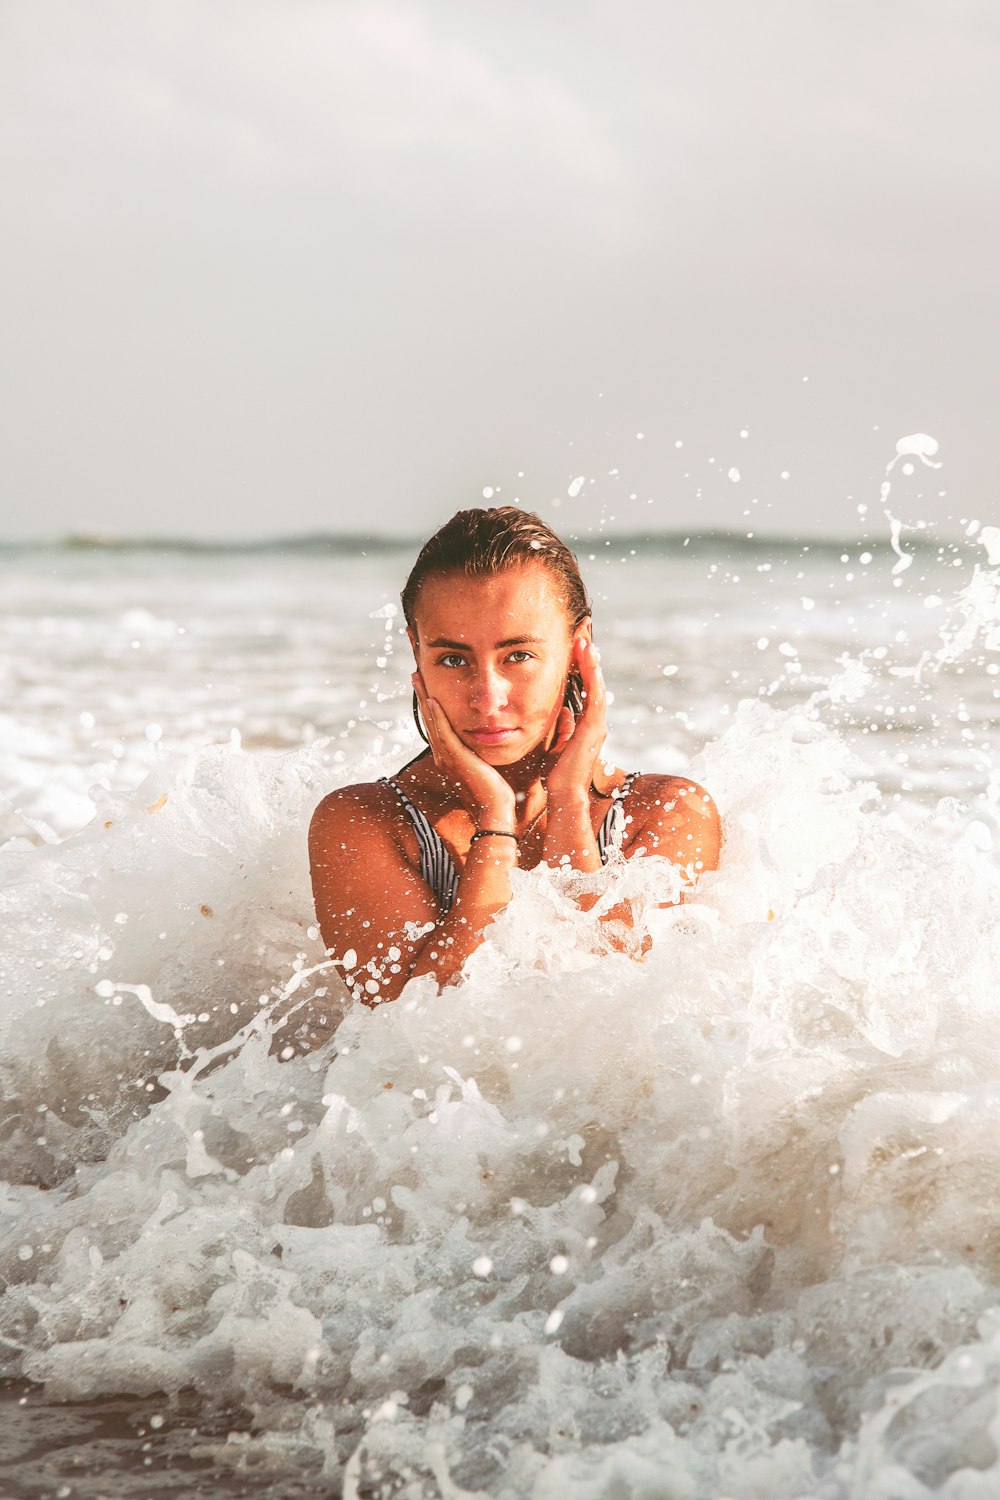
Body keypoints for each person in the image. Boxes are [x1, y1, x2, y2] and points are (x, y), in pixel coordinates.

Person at [309, 507, 720, 1005]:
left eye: (518, 656)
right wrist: (495, 824)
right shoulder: (364, 823)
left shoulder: (669, 813)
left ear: (578, 647)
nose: (487, 695)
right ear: (417, 652)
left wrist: (569, 802)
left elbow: (616, 1013)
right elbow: (407, 1035)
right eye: (453, 659)